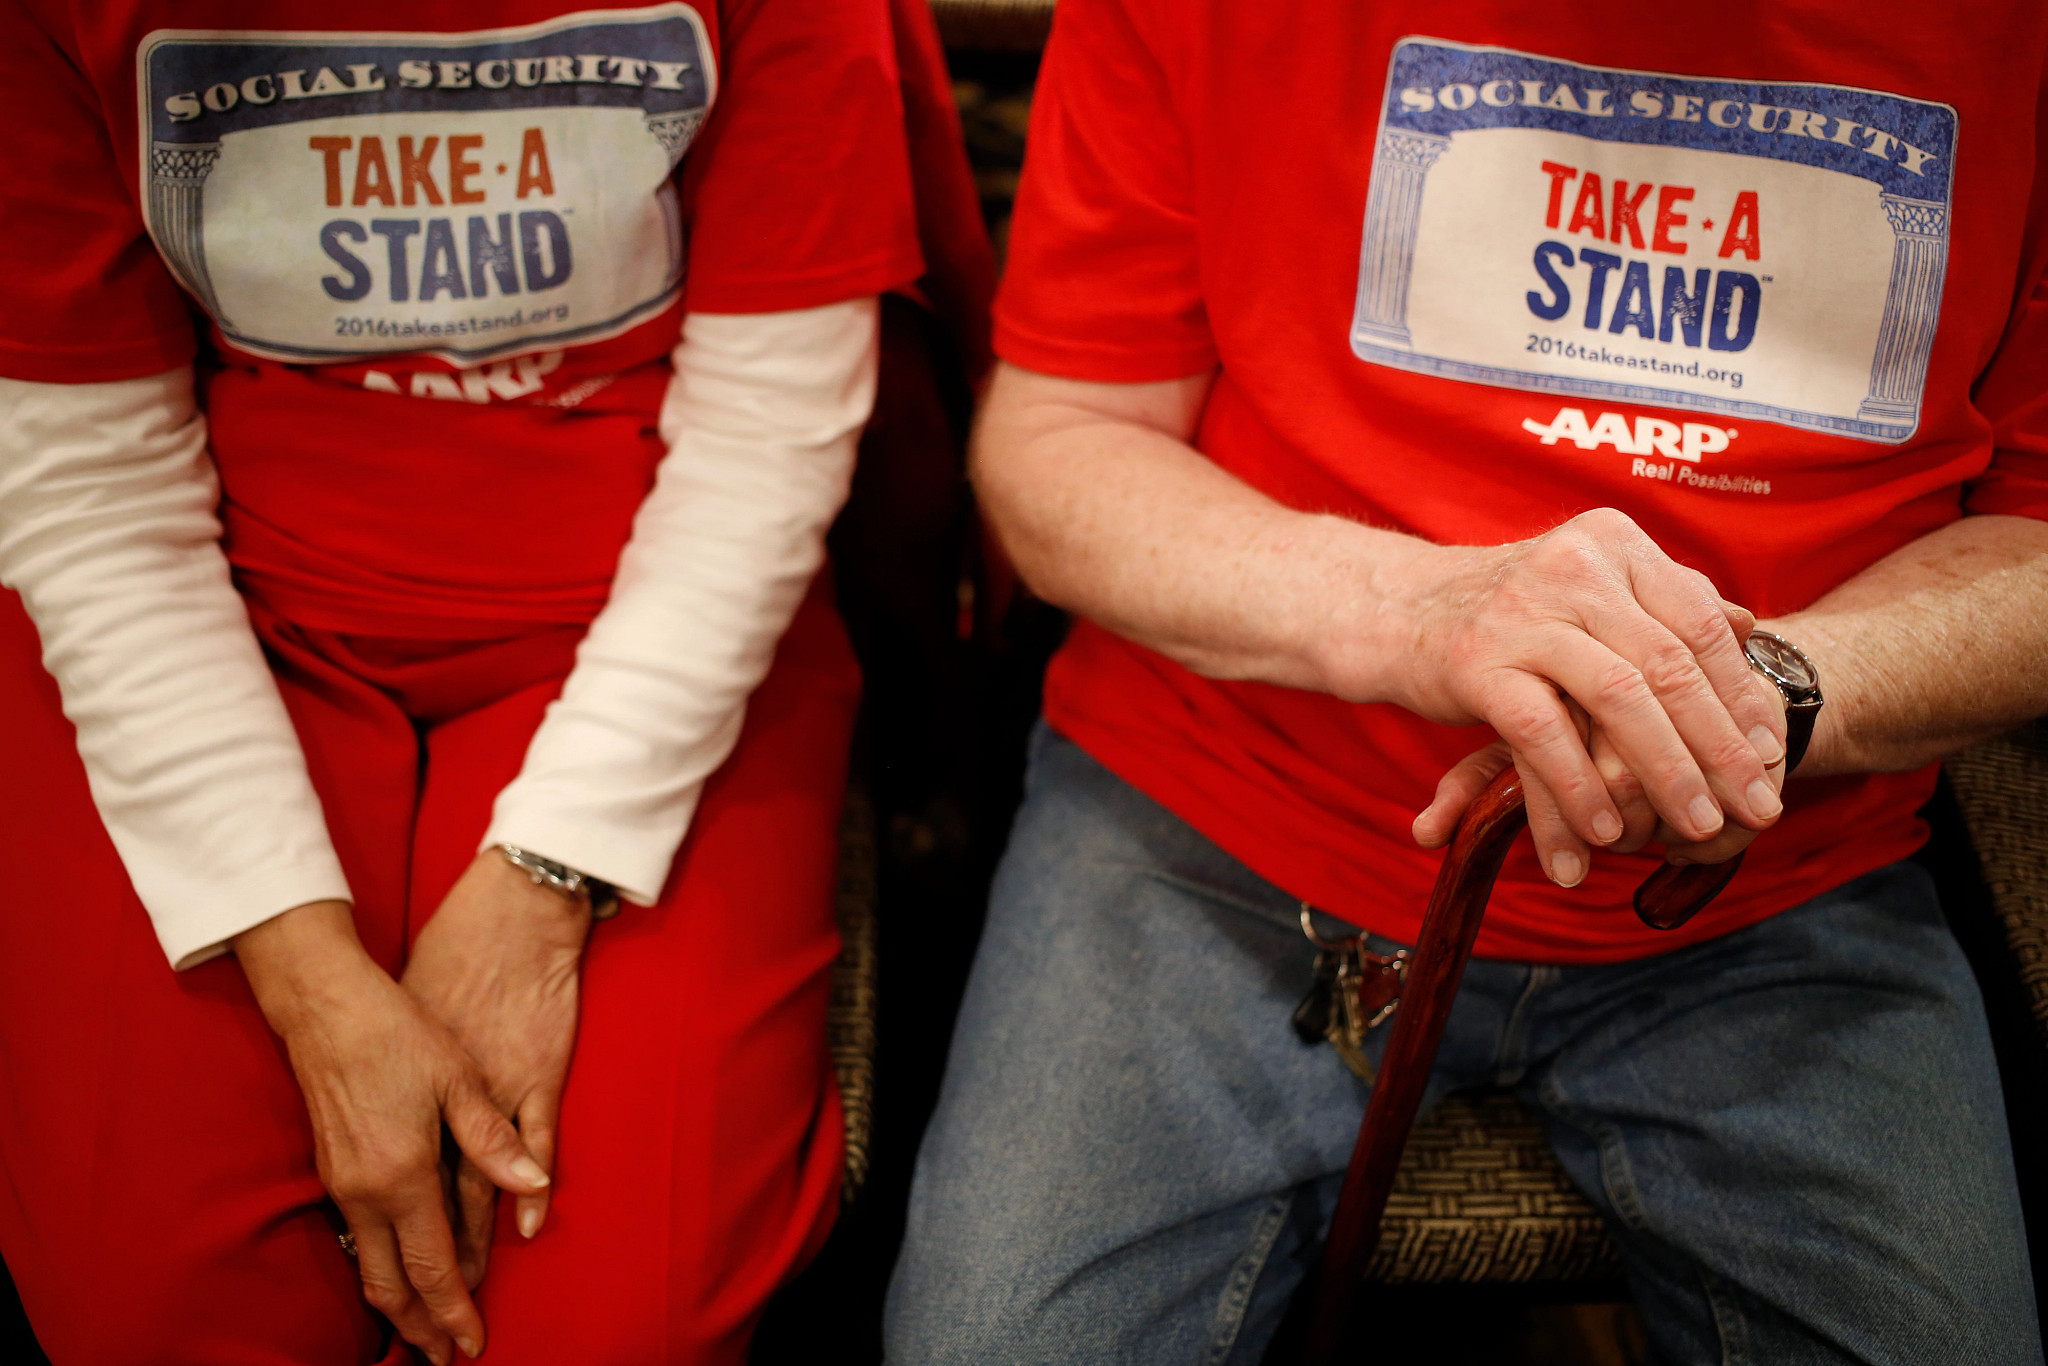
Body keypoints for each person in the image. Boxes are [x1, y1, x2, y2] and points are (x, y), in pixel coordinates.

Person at [885, 3, 2048, 1363]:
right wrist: (1424, 610)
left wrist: (1759, 700)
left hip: (1780, 884)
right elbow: (1059, 441)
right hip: (1225, 817)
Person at [0, 1, 983, 1362]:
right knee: (163, 1309)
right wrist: (300, 969)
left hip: (655, 591)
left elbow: (765, 434)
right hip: (218, 597)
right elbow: (94, 489)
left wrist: (547, 876)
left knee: (610, 1319)